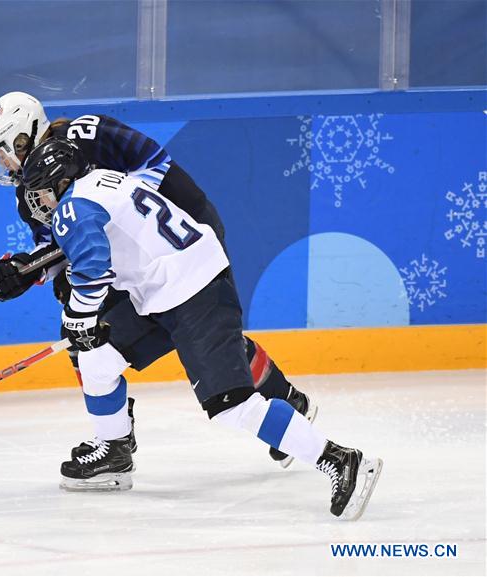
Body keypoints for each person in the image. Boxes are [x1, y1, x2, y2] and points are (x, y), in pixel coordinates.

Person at [20, 136, 383, 519]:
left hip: (194, 292)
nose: (40, 203)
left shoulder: (73, 205)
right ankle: (114, 451)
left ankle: (340, 460)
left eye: (42, 192)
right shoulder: (106, 180)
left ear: (60, 181)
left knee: (232, 405)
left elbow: (93, 264)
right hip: (163, 291)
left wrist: (78, 317)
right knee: (96, 360)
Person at [0, 91, 314, 468]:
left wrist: (100, 211)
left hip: (184, 234)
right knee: (86, 334)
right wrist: (25, 269)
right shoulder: (28, 194)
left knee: (205, 335)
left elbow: (154, 167)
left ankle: (284, 401)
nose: (2, 163)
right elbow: (59, 245)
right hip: (131, 258)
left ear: (24, 136)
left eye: (3, 150)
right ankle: (115, 440)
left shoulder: (89, 132)